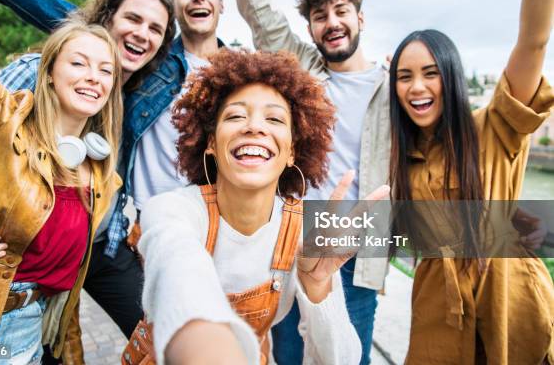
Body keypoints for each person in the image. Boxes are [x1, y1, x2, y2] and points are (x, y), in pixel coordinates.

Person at [0, 0, 175, 361]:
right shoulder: (2, 113)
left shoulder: (100, 162)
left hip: (36, 314)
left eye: (105, 70)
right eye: (79, 63)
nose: (94, 76)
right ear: (49, 71)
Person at [124, 49, 389, 364]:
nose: (254, 127)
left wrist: (318, 287)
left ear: (292, 150)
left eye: (274, 118)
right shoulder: (171, 210)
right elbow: (179, 266)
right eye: (236, 115)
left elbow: (341, 360)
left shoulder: (301, 233)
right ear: (210, 143)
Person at [387, 0, 554, 363]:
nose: (417, 86)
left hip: (508, 297)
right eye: (404, 76)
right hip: (437, 307)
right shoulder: (401, 158)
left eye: (430, 72)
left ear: (452, 75)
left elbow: (533, 40)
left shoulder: (495, 126)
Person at [230, 0, 390, 363]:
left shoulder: (394, 86)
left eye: (341, 11)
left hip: (357, 251)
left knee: (347, 356)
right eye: (321, 16)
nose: (332, 22)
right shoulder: (304, 71)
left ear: (361, 18)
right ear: (311, 30)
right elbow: (260, 12)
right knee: (288, 354)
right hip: (293, 241)